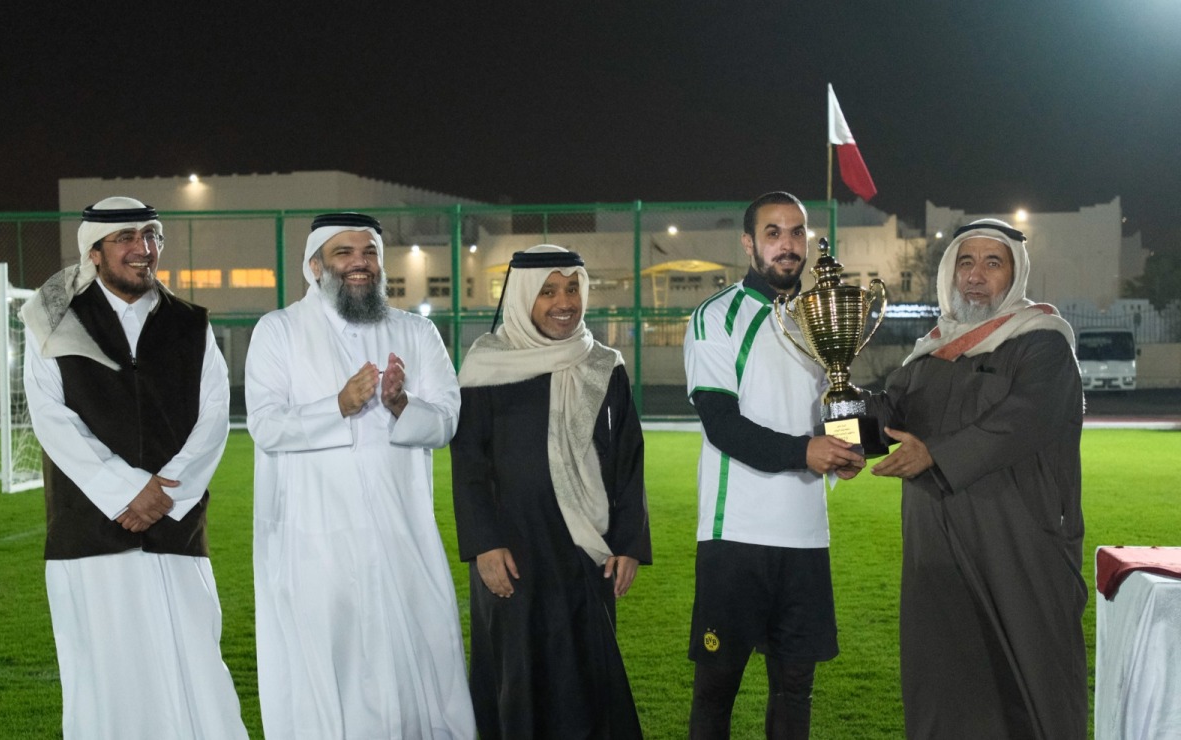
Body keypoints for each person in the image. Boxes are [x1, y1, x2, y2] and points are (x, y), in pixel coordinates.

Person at [20, 197, 247, 739]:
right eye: (126, 238)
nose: (143, 249)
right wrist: (124, 491)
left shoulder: (191, 325)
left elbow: (215, 417)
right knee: (103, 679)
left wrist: (163, 495)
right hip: (89, 533)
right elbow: (52, 419)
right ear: (93, 253)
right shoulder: (52, 321)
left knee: (195, 669)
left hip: (176, 529)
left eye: (152, 236)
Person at [244, 212, 473, 739]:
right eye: (344, 253)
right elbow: (266, 425)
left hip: (401, 533)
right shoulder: (278, 331)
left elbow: (447, 421)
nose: (359, 265)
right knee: (331, 664)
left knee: (417, 654)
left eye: (368, 253)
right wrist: (338, 405)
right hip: (315, 539)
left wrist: (399, 404)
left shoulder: (415, 332)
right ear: (314, 265)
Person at [867, 219, 1086, 739]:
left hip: (1015, 541)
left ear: (1015, 274)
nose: (975, 276)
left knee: (1028, 679)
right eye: (966, 262)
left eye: (993, 263)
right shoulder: (932, 349)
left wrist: (935, 455)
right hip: (935, 547)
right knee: (945, 680)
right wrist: (839, 419)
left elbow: (1020, 422)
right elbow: (887, 412)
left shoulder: (1041, 343)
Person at [683, 191, 866, 740]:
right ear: (749, 242)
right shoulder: (717, 315)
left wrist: (846, 446)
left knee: (795, 688)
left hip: (806, 534)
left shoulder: (820, 318)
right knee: (717, 690)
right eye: (773, 233)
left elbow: (833, 399)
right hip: (735, 532)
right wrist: (803, 452)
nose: (787, 245)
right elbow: (721, 423)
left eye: (796, 233)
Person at [451, 245, 652, 739]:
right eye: (548, 291)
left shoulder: (604, 365)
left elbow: (627, 460)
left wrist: (628, 543)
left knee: (586, 678)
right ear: (522, 297)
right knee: (517, 675)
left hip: (585, 551)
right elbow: (469, 465)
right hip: (511, 551)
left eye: (572, 289)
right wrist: (483, 544)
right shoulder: (486, 366)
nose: (564, 302)